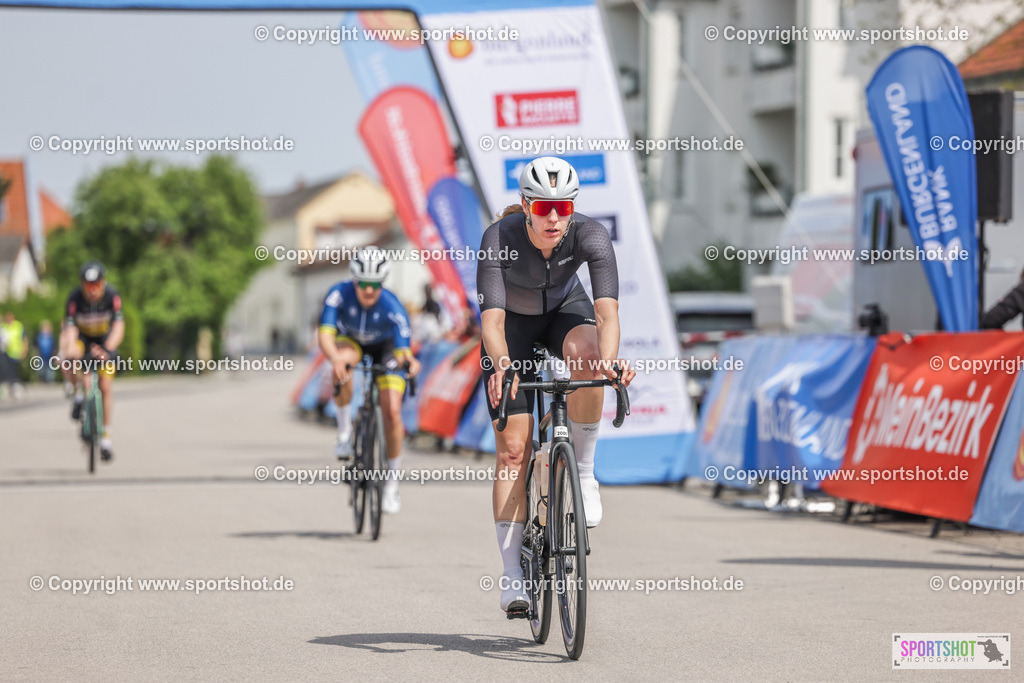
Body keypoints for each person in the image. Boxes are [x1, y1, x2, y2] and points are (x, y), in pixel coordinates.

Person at [476, 156, 635, 614]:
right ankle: (511, 578)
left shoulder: (590, 235)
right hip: (512, 329)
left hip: (565, 311)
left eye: (562, 208)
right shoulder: (499, 239)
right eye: (543, 207)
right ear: (525, 205)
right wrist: (504, 364)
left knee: (589, 361)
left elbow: (607, 314)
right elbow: (492, 322)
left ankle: (583, 472)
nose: (552, 217)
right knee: (512, 451)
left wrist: (607, 363)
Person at [318, 246, 421, 515]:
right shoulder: (338, 294)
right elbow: (326, 334)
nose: (369, 291)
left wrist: (409, 361)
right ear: (354, 280)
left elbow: (403, 350)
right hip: (351, 343)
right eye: (363, 284)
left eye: (375, 285)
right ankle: (344, 433)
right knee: (342, 363)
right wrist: (336, 360)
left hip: (386, 348)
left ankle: (392, 484)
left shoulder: (392, 305)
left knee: (392, 411)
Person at [61, 261, 124, 461]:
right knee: (70, 361)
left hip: (105, 341)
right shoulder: (75, 298)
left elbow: (118, 327)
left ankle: (106, 438)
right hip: (84, 340)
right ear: (82, 285)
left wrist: (108, 350)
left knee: (105, 386)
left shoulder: (112, 296)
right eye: (89, 286)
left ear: (103, 283)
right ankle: (78, 395)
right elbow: (70, 328)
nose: (93, 290)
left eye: (97, 285)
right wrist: (70, 349)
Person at [0, 311, 28, 399]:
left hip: (15, 353)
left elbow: (24, 339)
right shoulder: (4, 326)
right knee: (6, 372)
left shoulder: (18, 325)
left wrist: (24, 350)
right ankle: (8, 389)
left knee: (15, 372)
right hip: (6, 352)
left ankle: (16, 389)